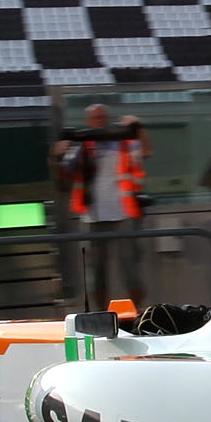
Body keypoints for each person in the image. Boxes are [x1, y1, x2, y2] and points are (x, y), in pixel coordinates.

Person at [55, 101, 148, 311]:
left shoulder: (123, 143)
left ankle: (137, 310)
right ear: (89, 122)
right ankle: (100, 313)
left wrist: (139, 128)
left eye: (103, 118)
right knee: (97, 271)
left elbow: (146, 151)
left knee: (130, 267)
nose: (100, 122)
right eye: (95, 118)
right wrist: (57, 156)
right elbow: (64, 178)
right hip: (93, 216)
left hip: (123, 213)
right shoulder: (81, 147)